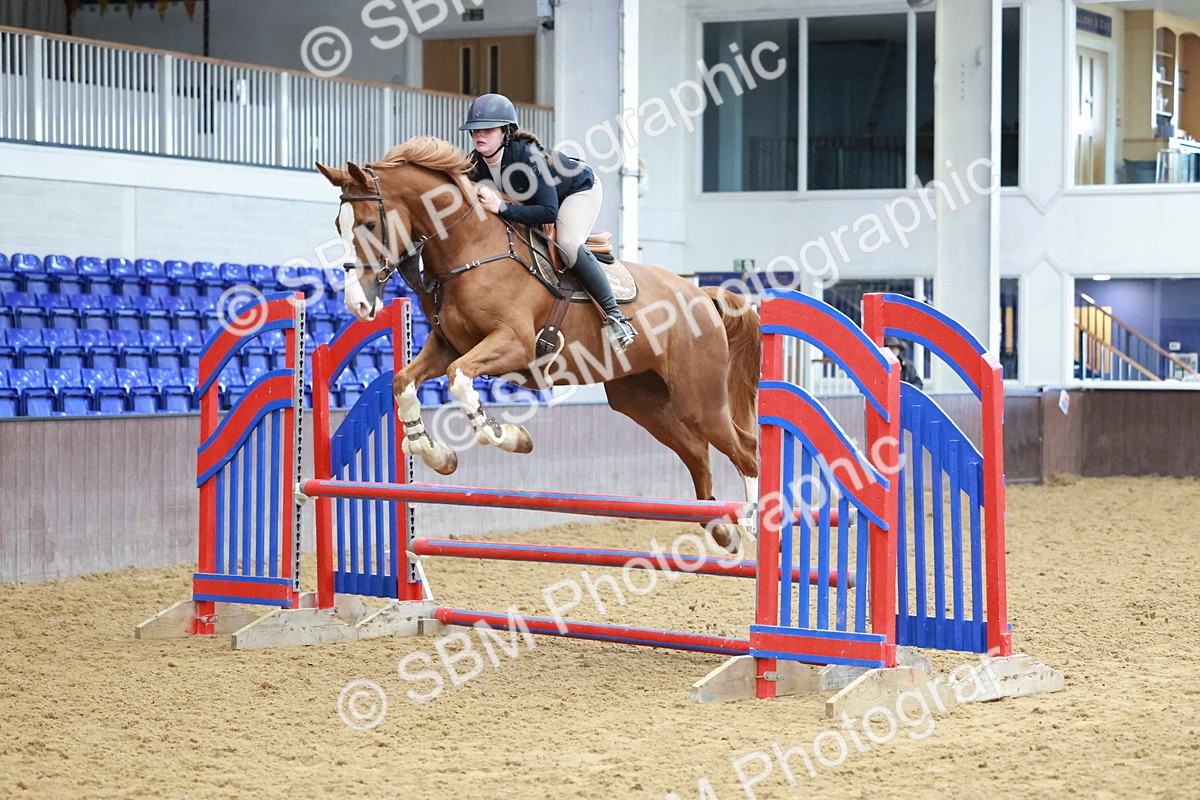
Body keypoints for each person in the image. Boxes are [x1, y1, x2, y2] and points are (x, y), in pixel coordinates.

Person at [459, 93, 637, 352]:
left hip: (577, 191)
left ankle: (616, 318)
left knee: (568, 243)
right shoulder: (475, 163)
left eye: (488, 129)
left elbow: (548, 212)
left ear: (506, 132)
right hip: (541, 203)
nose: (479, 136)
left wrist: (502, 208)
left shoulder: (527, 155)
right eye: (475, 130)